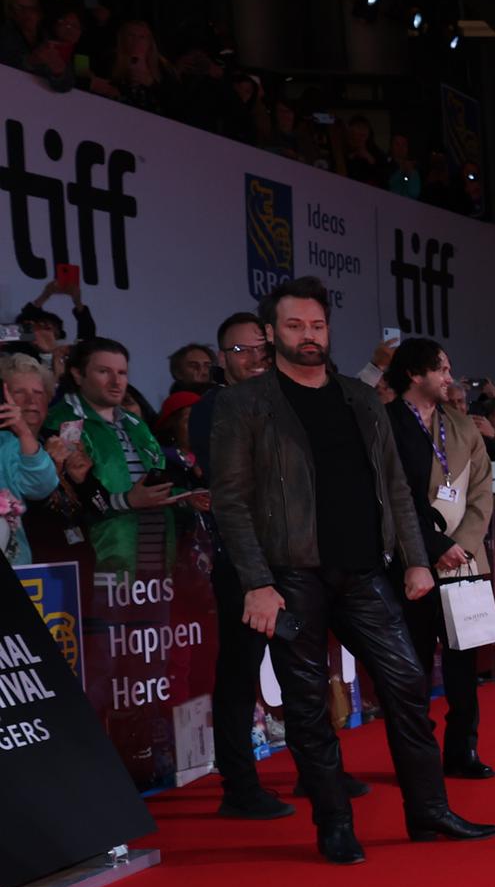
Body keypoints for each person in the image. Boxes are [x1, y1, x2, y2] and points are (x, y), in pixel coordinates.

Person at [208, 276, 495, 863]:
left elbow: (394, 485)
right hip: (290, 576)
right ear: (270, 334)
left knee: (409, 684)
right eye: (294, 326)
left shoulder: (360, 398)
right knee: (307, 699)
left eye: (316, 325)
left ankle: (429, 810)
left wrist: (417, 560)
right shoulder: (244, 405)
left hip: (365, 572)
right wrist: (257, 583)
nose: (308, 336)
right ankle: (334, 821)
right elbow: (231, 500)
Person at [186, 308, 294, 819]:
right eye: (239, 350)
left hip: (292, 561)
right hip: (244, 565)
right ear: (220, 361)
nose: (252, 358)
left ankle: (316, 768)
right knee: (239, 669)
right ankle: (239, 785)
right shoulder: (214, 409)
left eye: (260, 348)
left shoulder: (288, 402)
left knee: (300, 665)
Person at [384, 338, 495, 780]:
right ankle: (417, 755)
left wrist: (464, 543)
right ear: (415, 374)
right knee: (410, 664)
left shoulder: (461, 423)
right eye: (442, 370)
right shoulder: (386, 422)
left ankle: (463, 749)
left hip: (464, 562)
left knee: (463, 663)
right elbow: (390, 495)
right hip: (411, 558)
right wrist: (433, 546)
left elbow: (483, 488)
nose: (450, 378)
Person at [43, 337, 197, 576]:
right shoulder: (63, 422)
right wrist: (127, 500)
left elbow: (155, 485)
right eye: (104, 371)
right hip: (102, 563)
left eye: (122, 373)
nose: (117, 382)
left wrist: (185, 498)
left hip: (156, 559)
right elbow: (69, 502)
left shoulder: (136, 423)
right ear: (77, 374)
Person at [0, 351, 62, 566]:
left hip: (41, 568)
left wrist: (25, 434)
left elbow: (41, 487)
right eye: (19, 392)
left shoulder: (61, 439)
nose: (31, 400)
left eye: (38, 392)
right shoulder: (4, 444)